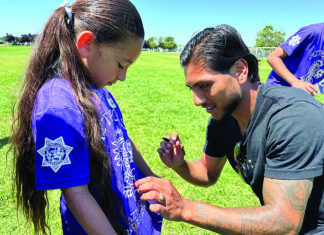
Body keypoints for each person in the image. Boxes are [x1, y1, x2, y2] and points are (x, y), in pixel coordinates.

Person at [135, 24, 324, 234]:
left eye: (205, 85)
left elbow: (284, 223)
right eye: (192, 88)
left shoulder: (291, 117)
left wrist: (184, 208)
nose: (196, 101)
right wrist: (179, 164)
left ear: (241, 71)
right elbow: (207, 173)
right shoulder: (223, 119)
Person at [10, 0, 162, 234]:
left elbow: (121, 137)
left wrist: (153, 176)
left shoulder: (97, 88)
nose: (123, 77)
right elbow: (76, 193)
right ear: (86, 44)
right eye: (121, 65)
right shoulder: (58, 106)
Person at [266, 23, 324, 96]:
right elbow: (273, 57)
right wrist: (295, 82)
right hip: (279, 89)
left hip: (300, 96)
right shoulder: (312, 32)